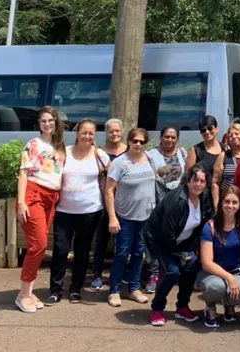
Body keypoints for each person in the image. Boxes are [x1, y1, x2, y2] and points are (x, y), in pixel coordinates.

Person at [46, 118, 109, 305]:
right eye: (84, 133)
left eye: (91, 133)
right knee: (61, 250)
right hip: (64, 210)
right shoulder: (63, 153)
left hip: (90, 210)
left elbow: (111, 178)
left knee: (82, 251)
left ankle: (75, 289)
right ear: (76, 133)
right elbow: (48, 173)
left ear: (95, 135)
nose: (87, 136)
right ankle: (55, 290)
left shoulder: (100, 155)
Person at [144, 164, 214, 327]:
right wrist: (179, 255)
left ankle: (182, 307)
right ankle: (157, 309)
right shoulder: (177, 201)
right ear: (187, 181)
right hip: (160, 240)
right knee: (172, 272)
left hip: (183, 239)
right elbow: (166, 234)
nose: (198, 184)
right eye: (195, 180)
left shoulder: (204, 197)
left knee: (191, 267)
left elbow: (208, 217)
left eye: (202, 181)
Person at [15, 107, 66, 313]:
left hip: (51, 198)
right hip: (34, 194)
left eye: (50, 120)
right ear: (39, 124)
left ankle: (29, 292)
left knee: (39, 245)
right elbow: (23, 174)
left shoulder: (59, 148)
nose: (47, 124)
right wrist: (21, 202)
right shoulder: (34, 144)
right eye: (43, 121)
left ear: (57, 123)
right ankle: (22, 295)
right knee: (39, 245)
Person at [105, 127, 157, 307]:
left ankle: (134, 288)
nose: (138, 144)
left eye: (142, 141)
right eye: (135, 141)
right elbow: (109, 191)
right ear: (128, 142)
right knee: (121, 253)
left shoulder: (149, 159)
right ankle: (114, 290)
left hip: (145, 217)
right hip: (125, 216)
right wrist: (112, 217)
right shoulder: (120, 163)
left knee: (138, 254)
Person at [197, 185, 240, 327]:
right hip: (211, 272)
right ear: (221, 203)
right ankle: (210, 306)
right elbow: (206, 262)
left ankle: (229, 304)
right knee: (216, 287)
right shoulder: (210, 227)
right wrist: (230, 279)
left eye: (234, 202)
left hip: (235, 270)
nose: (230, 206)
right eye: (227, 201)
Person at [145, 126, 188, 293]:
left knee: (174, 237)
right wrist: (159, 173)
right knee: (155, 239)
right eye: (167, 137)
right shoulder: (151, 155)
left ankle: (172, 271)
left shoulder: (183, 153)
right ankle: (154, 273)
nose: (170, 140)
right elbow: (149, 177)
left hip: (178, 204)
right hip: (159, 203)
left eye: (173, 137)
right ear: (161, 138)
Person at [91, 118, 127, 290]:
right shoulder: (98, 153)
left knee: (123, 242)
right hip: (103, 202)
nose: (114, 134)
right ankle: (96, 274)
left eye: (117, 131)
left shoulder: (129, 150)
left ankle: (119, 275)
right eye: (111, 131)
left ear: (122, 132)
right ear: (106, 133)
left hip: (126, 203)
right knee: (101, 241)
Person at [212, 123, 240, 203]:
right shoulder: (223, 156)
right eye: (230, 135)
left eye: (236, 134)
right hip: (228, 202)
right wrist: (216, 205)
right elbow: (215, 183)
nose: (234, 137)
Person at [185, 115, 225, 185]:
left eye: (210, 128)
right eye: (203, 130)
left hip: (223, 191)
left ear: (217, 129)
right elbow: (188, 176)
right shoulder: (195, 150)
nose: (207, 132)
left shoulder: (225, 148)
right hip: (202, 191)